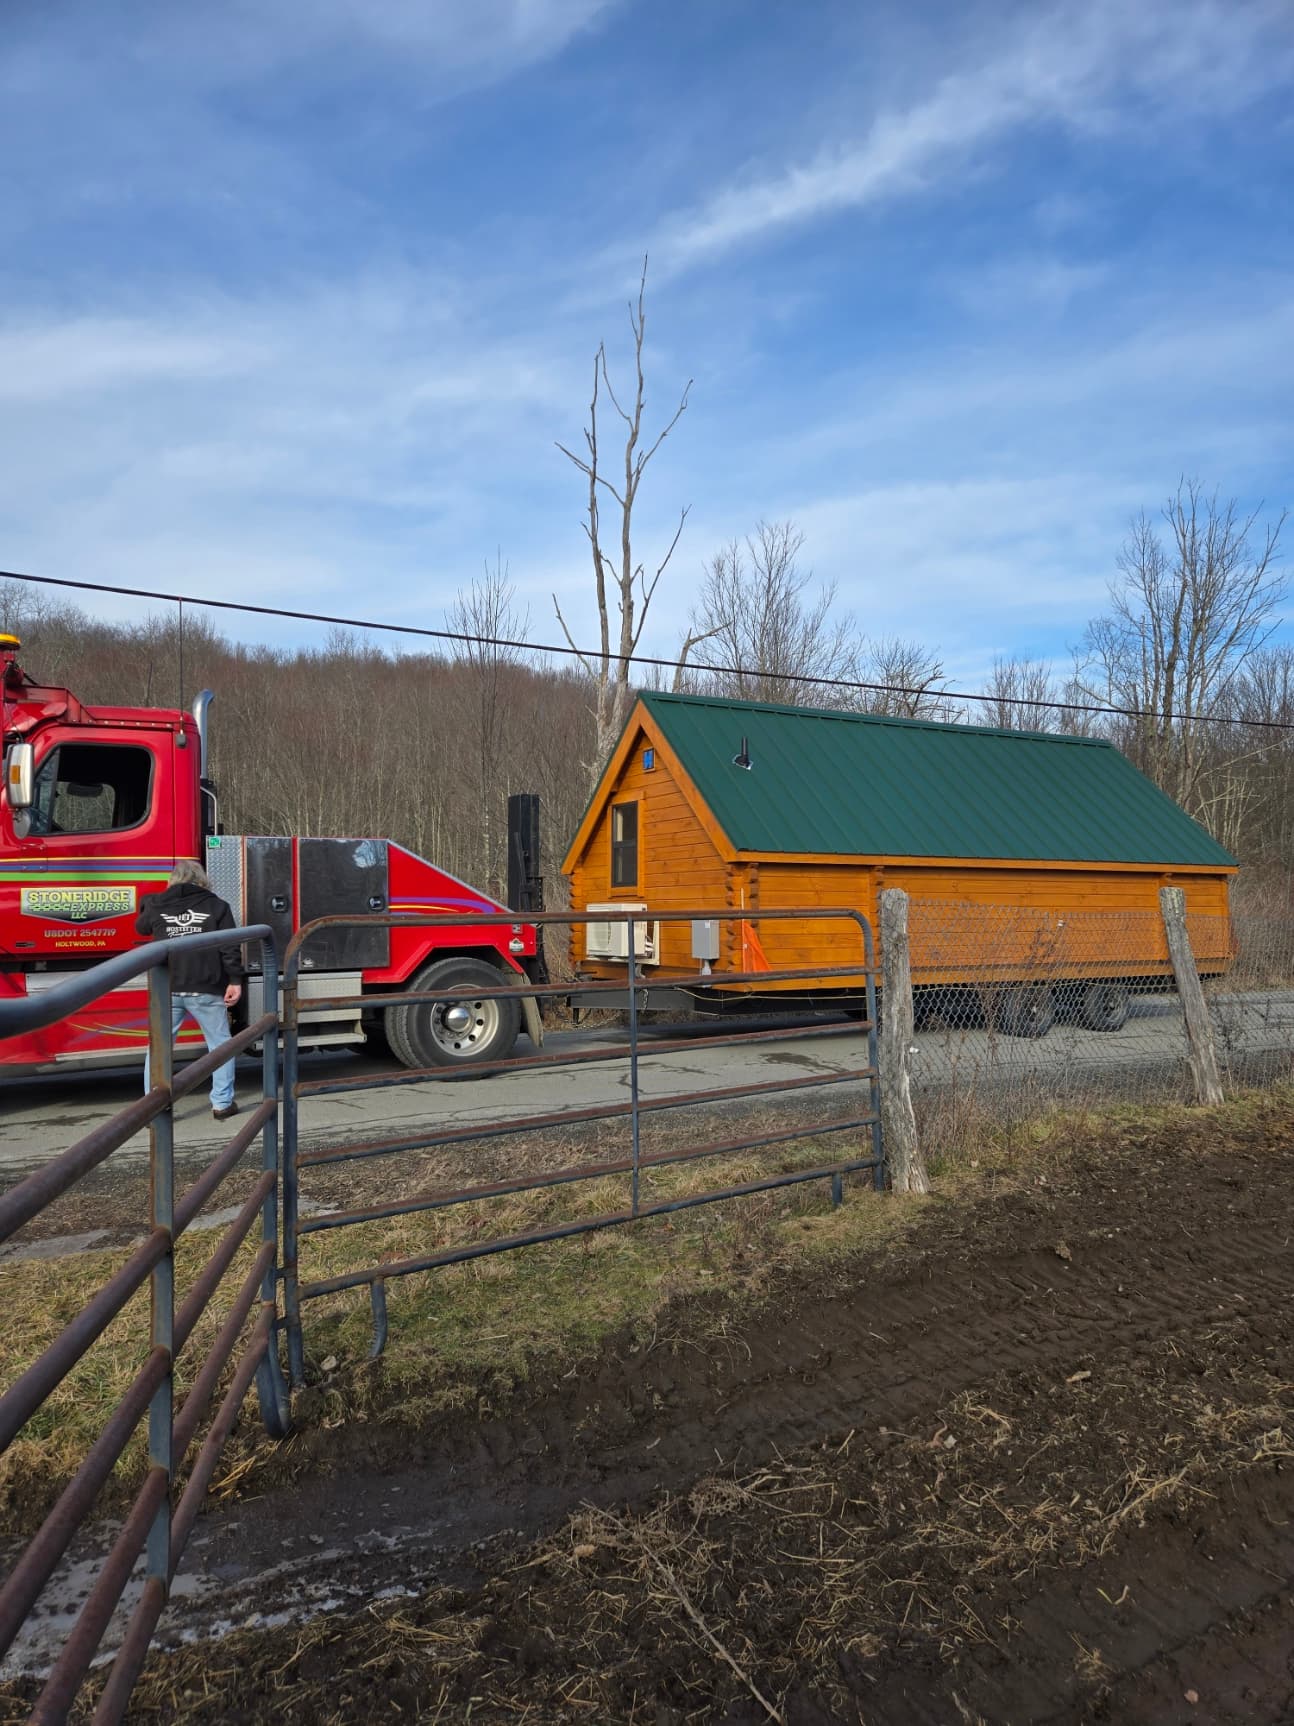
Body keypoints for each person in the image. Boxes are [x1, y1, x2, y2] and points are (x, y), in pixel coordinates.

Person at [137, 860, 244, 1120]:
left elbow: (141, 928)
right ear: (202, 879)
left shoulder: (157, 903)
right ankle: (222, 1104)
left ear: (173, 879)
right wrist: (235, 980)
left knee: (160, 1048)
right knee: (220, 1046)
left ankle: (153, 1108)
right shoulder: (217, 906)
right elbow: (229, 946)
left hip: (168, 987)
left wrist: (147, 904)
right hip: (206, 986)